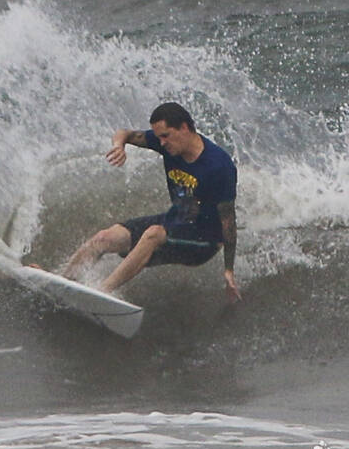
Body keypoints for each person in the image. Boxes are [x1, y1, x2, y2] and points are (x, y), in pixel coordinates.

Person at [62, 102, 241, 303]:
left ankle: (101, 293)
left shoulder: (219, 166)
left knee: (153, 234)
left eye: (166, 136)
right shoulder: (166, 143)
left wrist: (228, 270)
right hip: (175, 221)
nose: (162, 143)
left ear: (184, 127)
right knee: (104, 238)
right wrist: (118, 146)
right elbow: (124, 133)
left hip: (204, 240)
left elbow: (228, 221)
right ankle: (63, 284)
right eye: (159, 138)